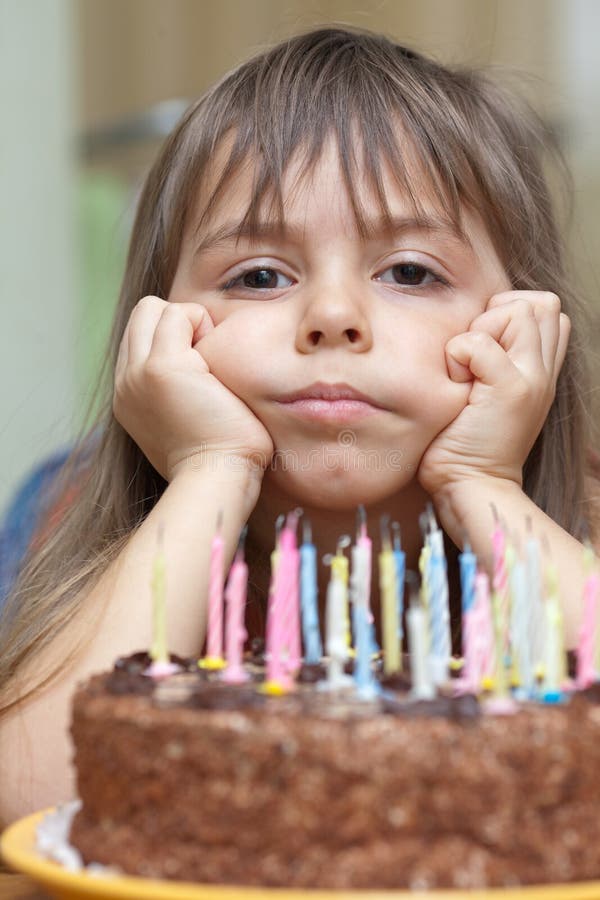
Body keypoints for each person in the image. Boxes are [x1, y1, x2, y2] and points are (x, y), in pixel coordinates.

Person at [0, 25, 598, 825]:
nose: (332, 317)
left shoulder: (581, 528)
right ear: (163, 327)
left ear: (521, 324)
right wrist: (211, 467)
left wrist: (484, 488)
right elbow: (27, 809)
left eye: (411, 272)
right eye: (258, 276)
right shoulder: (62, 506)